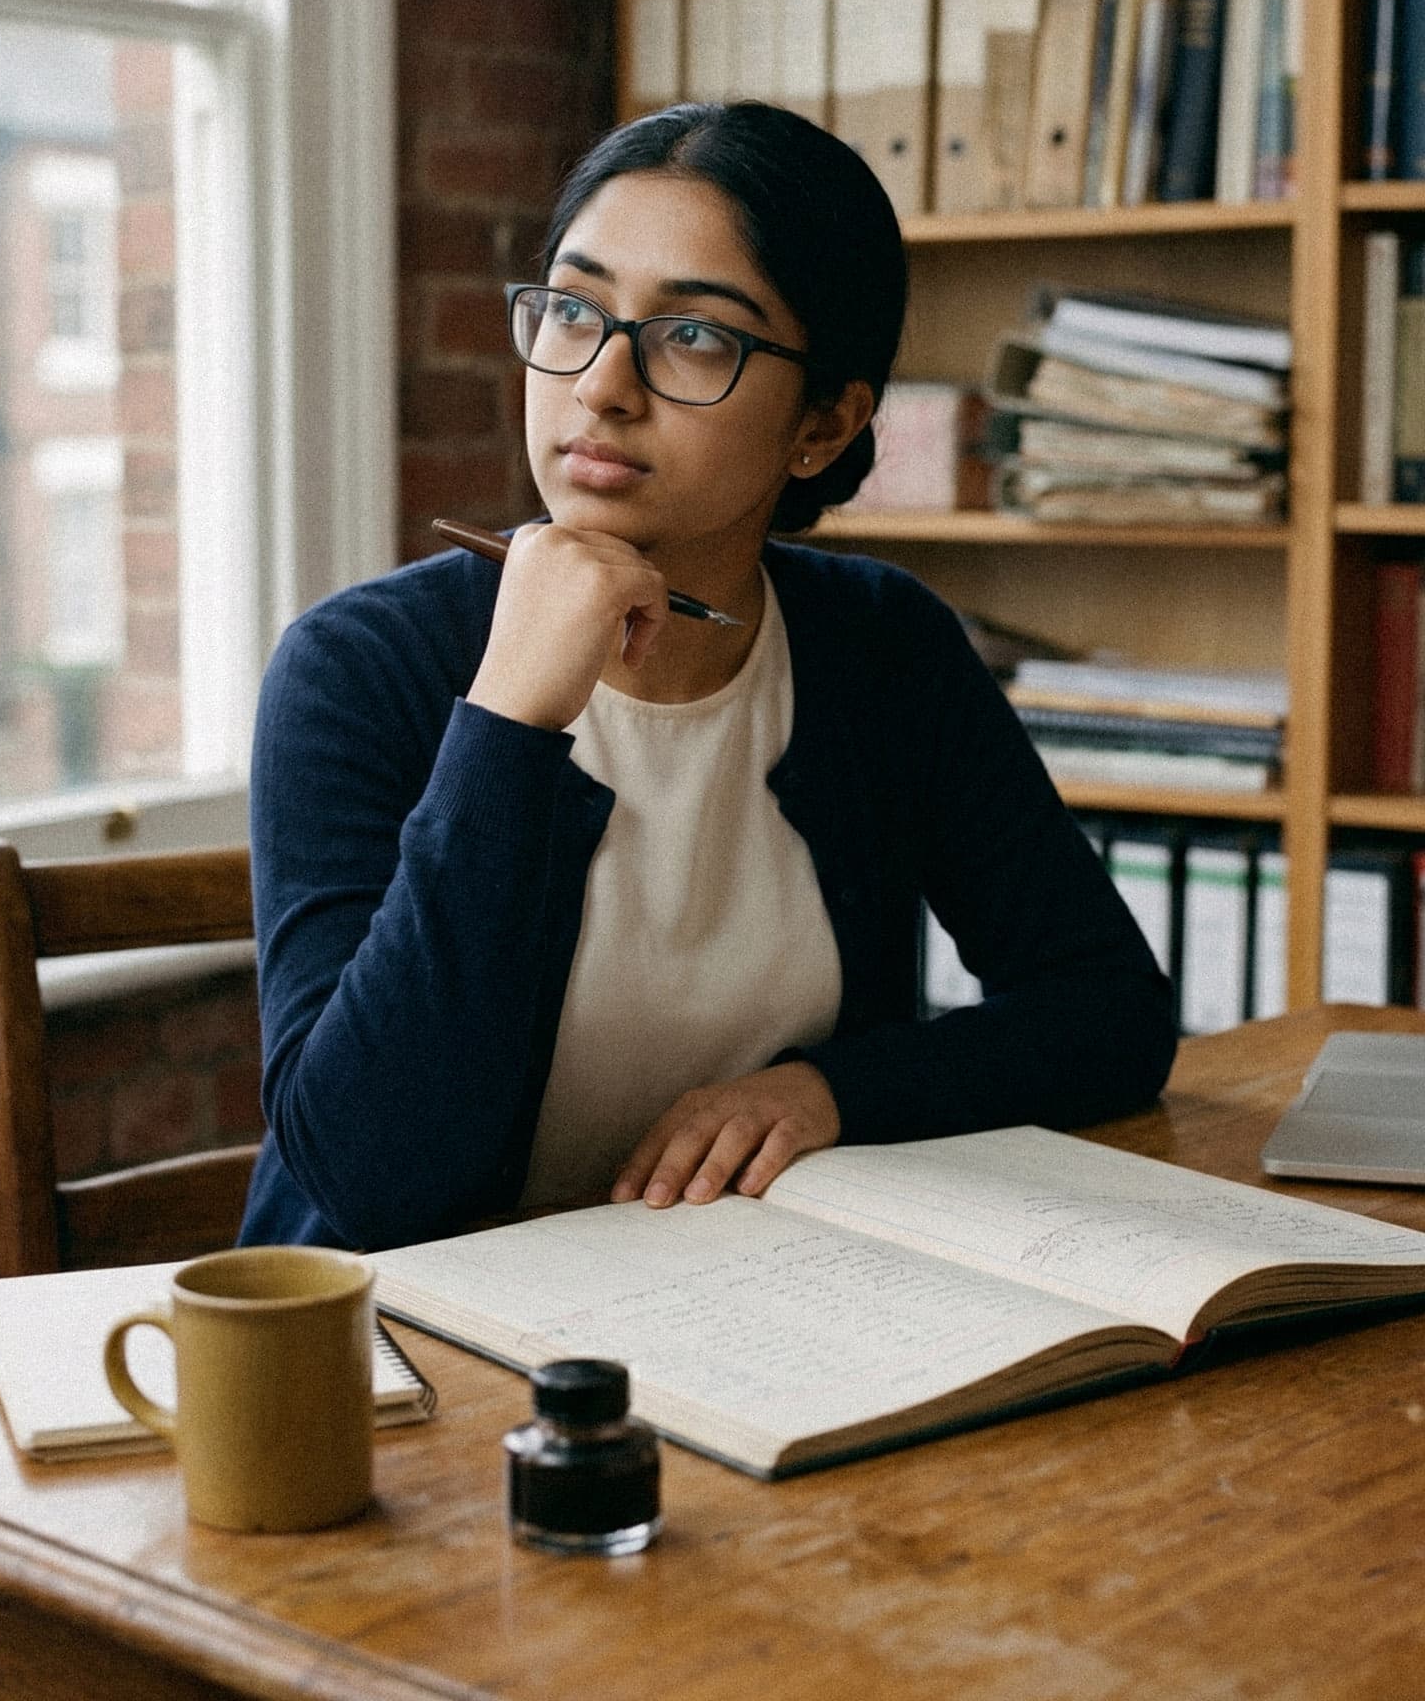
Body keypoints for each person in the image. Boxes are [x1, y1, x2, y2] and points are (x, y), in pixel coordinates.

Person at [239, 100, 1174, 1253]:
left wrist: (829, 1092)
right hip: (412, 1349)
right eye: (573, 310)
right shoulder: (357, 668)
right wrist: (510, 717)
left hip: (750, 1305)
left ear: (823, 426)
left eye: (694, 337)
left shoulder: (882, 648)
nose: (601, 385)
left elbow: (1109, 1011)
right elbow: (371, 1173)